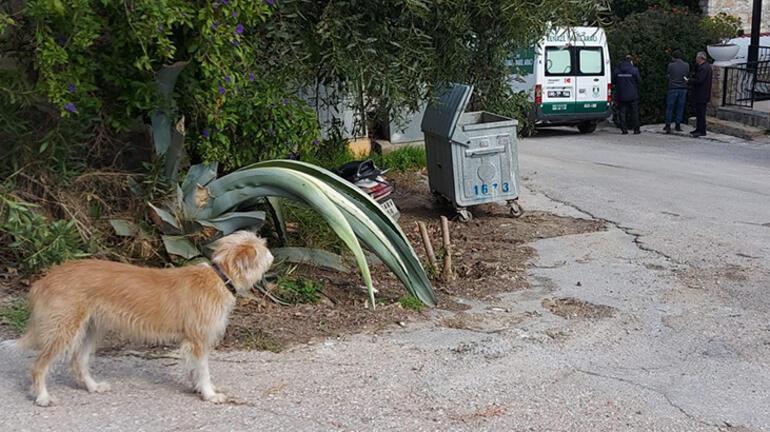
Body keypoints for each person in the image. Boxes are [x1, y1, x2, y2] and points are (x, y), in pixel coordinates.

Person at [613, 55, 641, 135]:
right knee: (634, 113)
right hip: (632, 95)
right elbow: (639, 81)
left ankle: (624, 130)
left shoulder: (617, 70)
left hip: (621, 95)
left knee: (622, 113)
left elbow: (613, 81)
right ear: (631, 61)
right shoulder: (634, 70)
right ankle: (636, 129)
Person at [664, 50, 690, 133]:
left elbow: (668, 75)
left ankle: (668, 125)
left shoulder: (671, 65)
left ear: (673, 57)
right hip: (683, 88)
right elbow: (686, 75)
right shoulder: (686, 65)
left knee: (670, 107)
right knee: (680, 107)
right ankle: (678, 125)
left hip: (673, 88)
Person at [689, 51, 713, 138]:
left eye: (697, 58)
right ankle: (698, 129)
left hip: (701, 94)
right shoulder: (706, 67)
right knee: (699, 113)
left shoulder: (704, 68)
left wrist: (690, 81)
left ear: (701, 58)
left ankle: (702, 130)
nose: (696, 59)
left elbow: (699, 80)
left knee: (701, 113)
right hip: (702, 94)